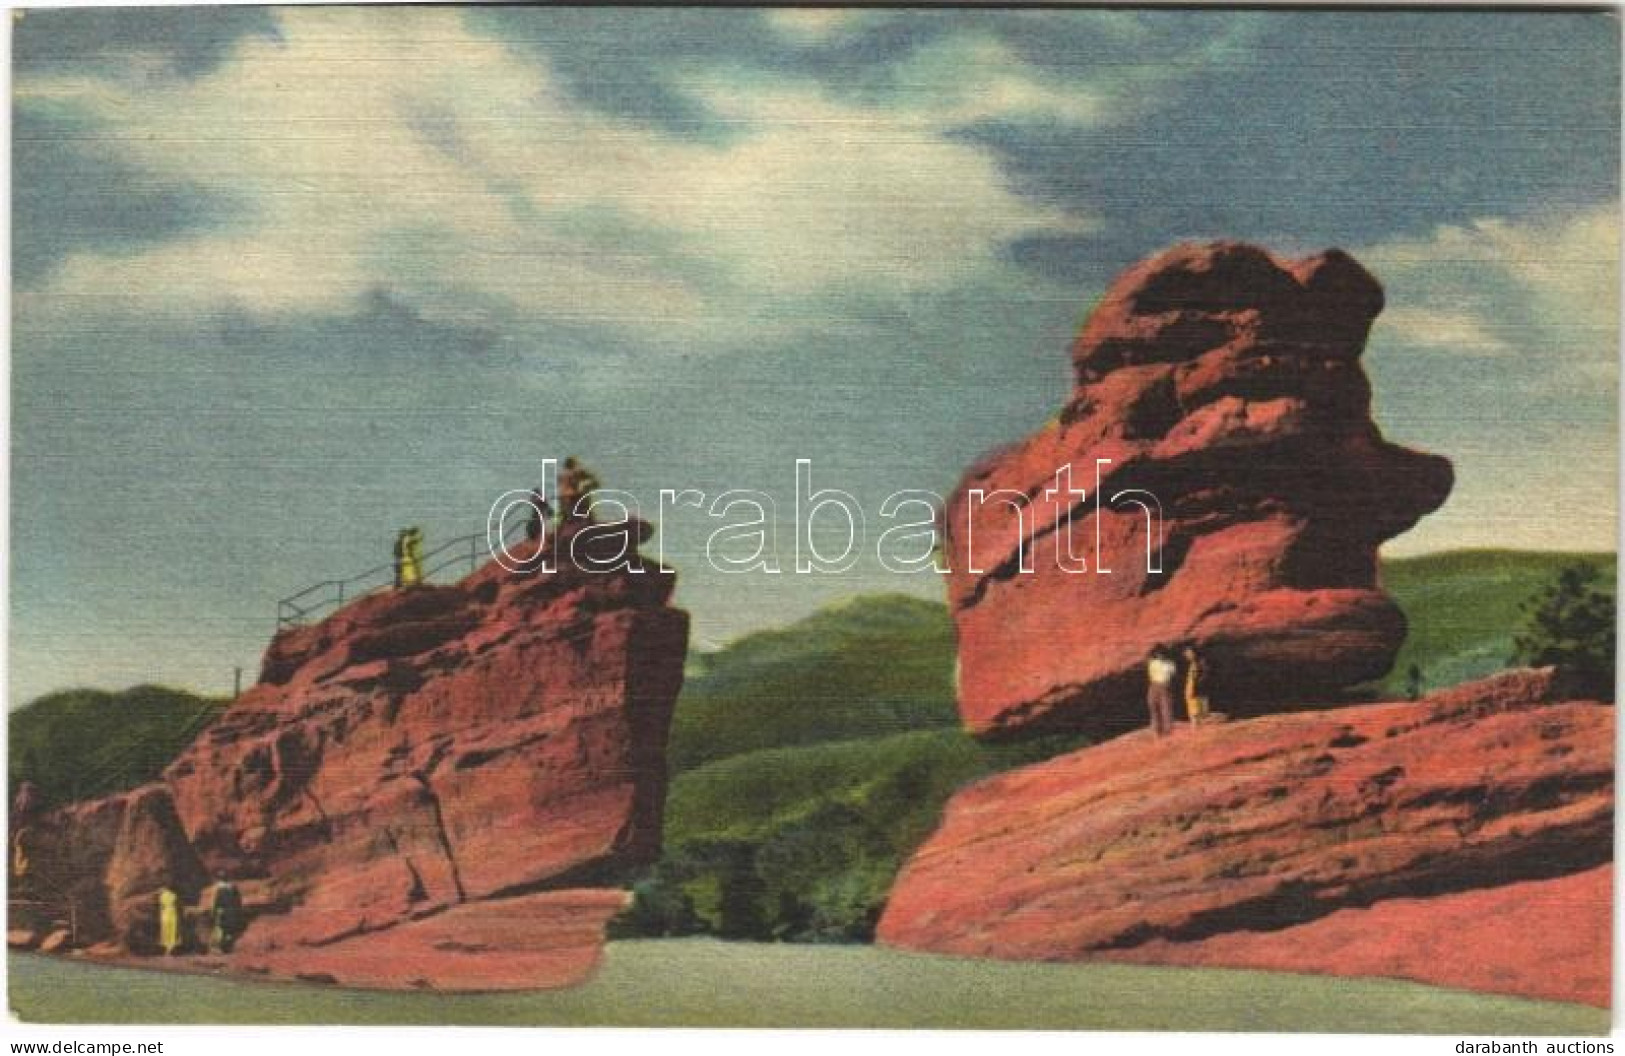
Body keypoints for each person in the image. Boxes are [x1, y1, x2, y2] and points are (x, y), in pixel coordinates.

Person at [557, 457, 601, 526]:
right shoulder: (564, 476)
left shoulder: (582, 474)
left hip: (581, 507)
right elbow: (564, 493)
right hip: (571, 508)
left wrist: (585, 483)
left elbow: (596, 483)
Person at [1145, 644, 1178, 738]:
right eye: (1158, 653)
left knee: (1166, 709)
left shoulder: (1170, 663)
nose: (1160, 655)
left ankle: (1168, 731)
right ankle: (1157, 731)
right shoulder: (1153, 662)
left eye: (1162, 653)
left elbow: (1172, 675)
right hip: (1154, 685)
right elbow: (1148, 657)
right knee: (1153, 708)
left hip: (1165, 685)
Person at [210, 876, 246, 953]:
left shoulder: (221, 890)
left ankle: (223, 947)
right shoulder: (234, 889)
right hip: (232, 913)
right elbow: (239, 902)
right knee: (229, 932)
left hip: (225, 913)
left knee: (224, 931)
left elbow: (217, 903)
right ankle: (226, 947)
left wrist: (214, 912)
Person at [1182, 644, 1211, 726]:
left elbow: (1203, 675)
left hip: (1197, 690)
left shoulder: (1200, 662)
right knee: (1195, 711)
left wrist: (1195, 686)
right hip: (1194, 690)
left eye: (1189, 653)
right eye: (1186, 654)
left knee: (1198, 712)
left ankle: (1197, 726)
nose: (1187, 655)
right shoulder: (1193, 663)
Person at [158, 887, 181, 956]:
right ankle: (169, 948)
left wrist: (161, 914)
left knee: (165, 930)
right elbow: (176, 905)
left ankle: (167, 948)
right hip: (172, 913)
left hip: (165, 914)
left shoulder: (162, 896)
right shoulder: (173, 895)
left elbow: (161, 907)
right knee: (172, 930)